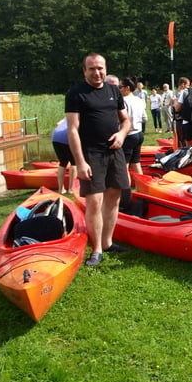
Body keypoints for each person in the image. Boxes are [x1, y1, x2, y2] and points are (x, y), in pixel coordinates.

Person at [66, 53, 131, 266]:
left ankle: (108, 242)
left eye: (100, 68)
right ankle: (96, 250)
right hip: (91, 154)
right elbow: (73, 130)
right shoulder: (76, 93)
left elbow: (126, 121)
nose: (97, 72)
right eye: (92, 68)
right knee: (94, 202)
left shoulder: (114, 90)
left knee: (114, 198)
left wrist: (122, 135)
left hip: (115, 152)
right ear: (84, 70)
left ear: (105, 68)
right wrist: (80, 162)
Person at [119, 77, 146, 175]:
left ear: (127, 88)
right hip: (139, 134)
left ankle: (125, 189)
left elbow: (120, 118)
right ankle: (142, 187)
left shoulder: (123, 101)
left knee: (124, 165)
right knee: (136, 163)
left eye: (120, 87)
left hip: (129, 135)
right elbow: (145, 118)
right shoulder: (139, 100)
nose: (118, 89)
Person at [51, 118, 76, 194]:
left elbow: (58, 123)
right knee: (74, 163)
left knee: (63, 162)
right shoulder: (83, 116)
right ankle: (71, 189)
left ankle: (61, 189)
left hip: (55, 137)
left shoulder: (69, 115)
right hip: (67, 137)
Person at [174, 77, 189, 147]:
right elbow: (177, 107)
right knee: (182, 137)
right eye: (187, 85)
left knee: (180, 136)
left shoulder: (177, 93)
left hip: (178, 118)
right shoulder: (181, 93)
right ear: (183, 84)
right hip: (181, 118)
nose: (188, 87)